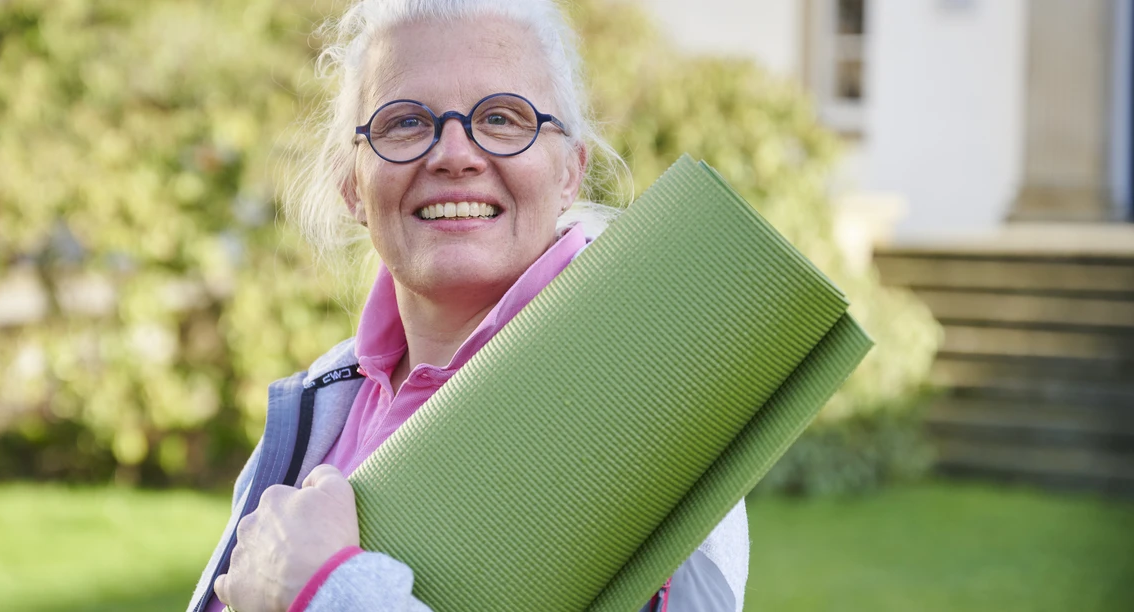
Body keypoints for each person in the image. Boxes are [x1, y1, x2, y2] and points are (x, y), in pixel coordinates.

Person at [187, 1, 749, 610]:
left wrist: (327, 592)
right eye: (405, 123)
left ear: (569, 172)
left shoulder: (652, 408)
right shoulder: (316, 407)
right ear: (352, 183)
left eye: (503, 118)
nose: (455, 154)